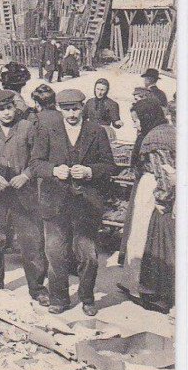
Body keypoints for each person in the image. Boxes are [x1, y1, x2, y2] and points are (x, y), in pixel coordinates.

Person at [30, 88, 117, 315]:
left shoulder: (96, 131)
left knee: (88, 255)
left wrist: (89, 171)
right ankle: (59, 298)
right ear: (59, 108)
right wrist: (53, 170)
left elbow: (109, 165)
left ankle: (87, 297)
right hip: (55, 203)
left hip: (86, 204)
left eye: (76, 109)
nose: (71, 114)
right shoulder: (48, 130)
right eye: (66, 109)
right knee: (56, 253)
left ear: (83, 108)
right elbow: (36, 164)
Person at [0, 89, 48, 303]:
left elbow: (39, 159)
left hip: (23, 195)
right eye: (0, 109)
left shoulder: (26, 128)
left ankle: (37, 288)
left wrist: (26, 175)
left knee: (31, 241)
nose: (6, 113)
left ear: (15, 107)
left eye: (9, 108)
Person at [118, 98, 175, 311]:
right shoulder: (167, 129)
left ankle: (144, 287)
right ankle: (136, 283)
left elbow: (164, 173)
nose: (136, 125)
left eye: (137, 120)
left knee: (143, 237)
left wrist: (162, 199)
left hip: (152, 190)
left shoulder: (155, 139)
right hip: (155, 188)